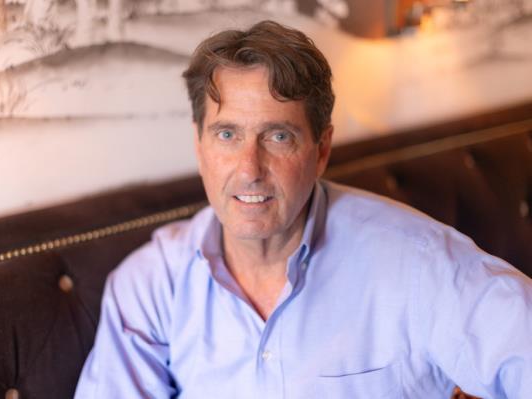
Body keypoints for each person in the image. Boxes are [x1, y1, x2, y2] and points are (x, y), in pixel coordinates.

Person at [74, 20, 532, 398]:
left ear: (322, 149)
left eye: (278, 136)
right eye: (228, 135)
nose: (249, 169)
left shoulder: (416, 262)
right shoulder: (151, 286)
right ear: (199, 148)